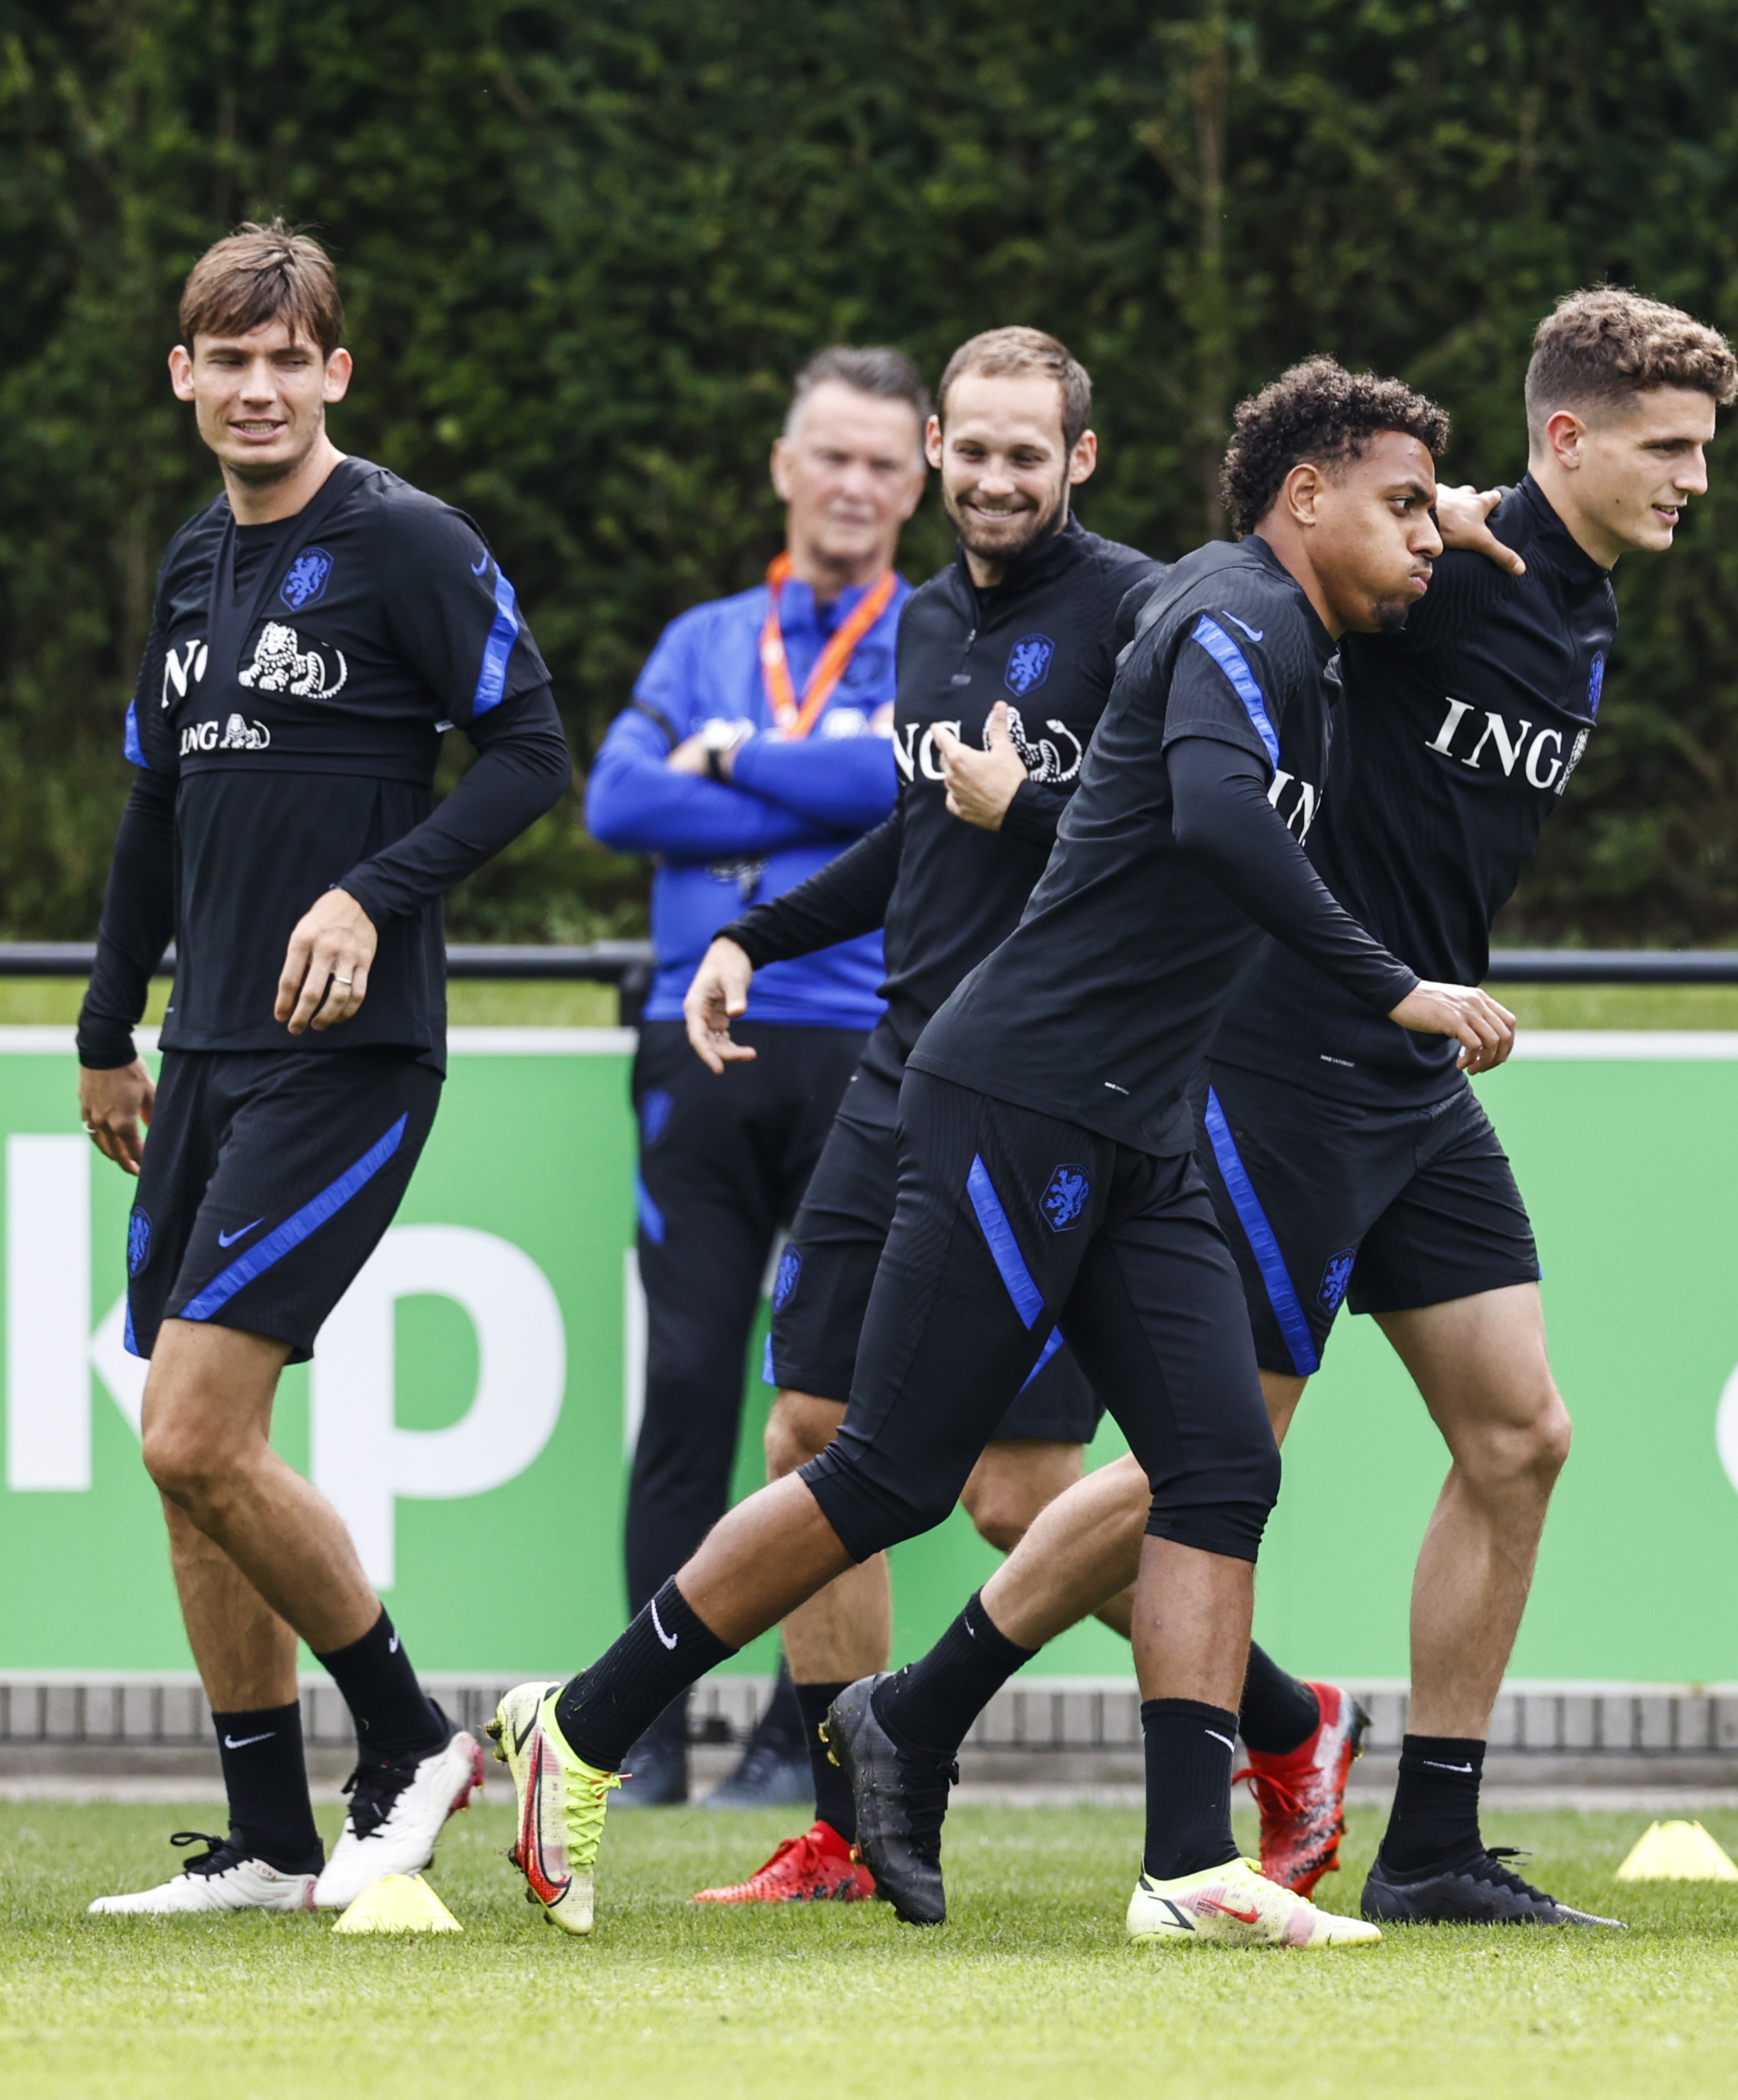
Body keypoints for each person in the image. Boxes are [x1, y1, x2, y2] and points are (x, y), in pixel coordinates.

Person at [487, 357, 1515, 1949]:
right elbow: (1219, 825)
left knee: (1219, 1464)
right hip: (1025, 1090)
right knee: (886, 1470)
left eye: (1022, 449)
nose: (1428, 541)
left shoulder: (1263, 621)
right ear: (1305, 498)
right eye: (1401, 508)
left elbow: (1213, 788)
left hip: (1138, 1115)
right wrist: (1395, 986)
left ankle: (1184, 1868)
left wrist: (1451, 508)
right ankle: (583, 1728)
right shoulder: (1231, 615)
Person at [828, 287, 1738, 1930]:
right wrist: (1452, 521)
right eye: (1666, 449)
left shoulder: (1583, 605)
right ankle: (922, 1710)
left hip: (1411, 1074)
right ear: (1565, 438)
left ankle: (1434, 1850)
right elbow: (1230, 628)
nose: (1693, 479)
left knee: (1521, 1435)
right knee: (1217, 1456)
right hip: (1280, 1057)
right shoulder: (1450, 557)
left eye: (1702, 451)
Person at [673, 326, 1338, 1907]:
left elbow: (1176, 843)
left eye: (1021, 454)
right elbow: (920, 844)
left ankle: (1286, 1719)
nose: (988, 479)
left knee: (1014, 1494)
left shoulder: (1144, 611)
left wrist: (1023, 803)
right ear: (931, 462)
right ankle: (845, 1832)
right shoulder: (918, 620)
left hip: (1054, 1091)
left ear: (1081, 459)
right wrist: (752, 936)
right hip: (906, 1065)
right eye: (964, 454)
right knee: (812, 1428)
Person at [75, 222, 569, 1914]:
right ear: (186, 376)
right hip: (198, 1055)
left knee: (195, 1435)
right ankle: (272, 1836)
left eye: (292, 358)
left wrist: (376, 892)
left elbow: (530, 751)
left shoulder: (408, 541)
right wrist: (101, 1031)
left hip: (346, 1055)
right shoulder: (191, 561)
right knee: (182, 1438)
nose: (261, 387)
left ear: (337, 372)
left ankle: (411, 1734)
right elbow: (155, 808)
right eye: (231, 358)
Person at [580, 346, 924, 1807]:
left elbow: (904, 785)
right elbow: (614, 800)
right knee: (690, 1385)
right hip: (695, 1047)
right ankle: (647, 1730)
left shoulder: (938, 635)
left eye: (881, 464)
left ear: (916, 485)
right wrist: (802, 763)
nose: (852, 485)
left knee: (830, 1410)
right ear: (784, 466)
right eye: (828, 457)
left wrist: (737, 766)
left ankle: (808, 1736)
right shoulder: (703, 637)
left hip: (868, 1042)